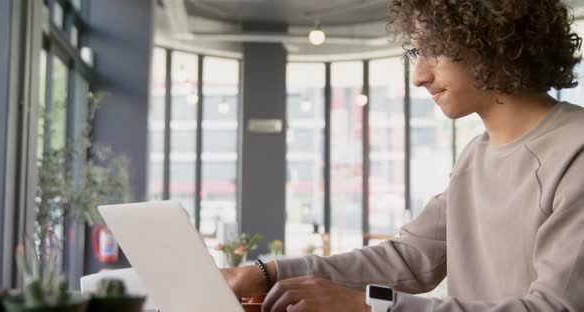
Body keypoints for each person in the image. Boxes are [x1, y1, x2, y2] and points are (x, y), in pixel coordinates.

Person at [223, 0, 584, 311]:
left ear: (496, 40)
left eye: (433, 50)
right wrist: (266, 273)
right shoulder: (475, 156)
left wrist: (370, 306)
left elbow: (554, 307)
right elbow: (409, 257)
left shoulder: (575, 152)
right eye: (416, 53)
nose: (419, 76)